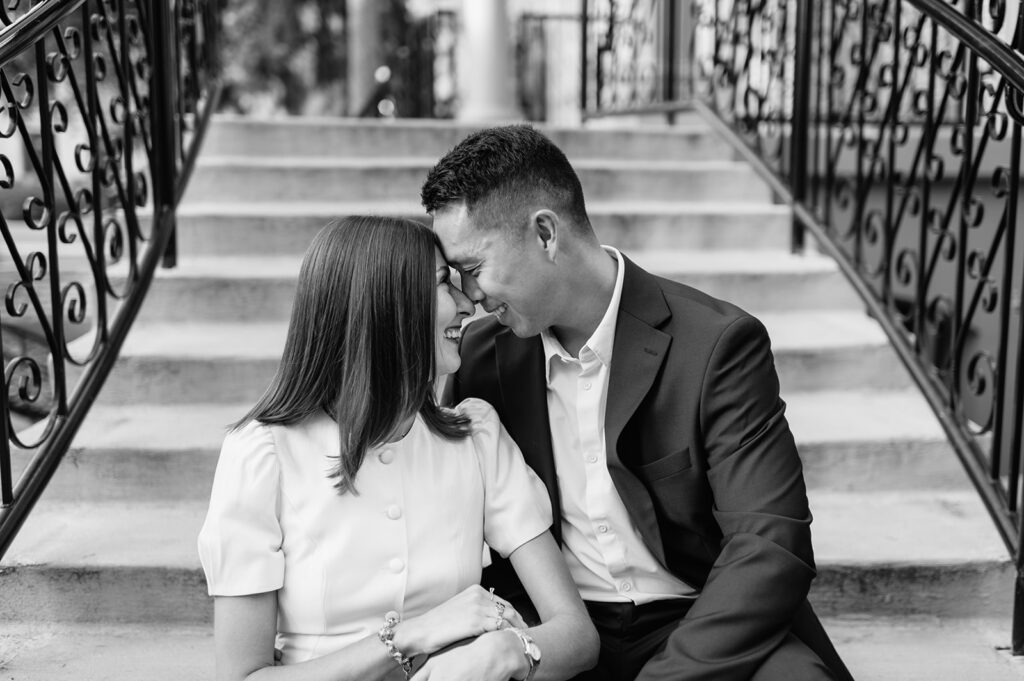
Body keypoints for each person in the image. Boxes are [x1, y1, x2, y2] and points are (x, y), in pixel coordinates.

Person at [422, 126, 855, 681]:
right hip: (552, 628)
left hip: (700, 619)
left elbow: (770, 544)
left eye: (474, 269)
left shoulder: (716, 345)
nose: (468, 297)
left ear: (546, 234)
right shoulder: (480, 359)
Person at [197, 216, 599, 681]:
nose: (470, 302)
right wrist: (410, 636)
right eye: (444, 284)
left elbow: (576, 636)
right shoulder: (262, 454)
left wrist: (509, 651)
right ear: (386, 306)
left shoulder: (476, 435)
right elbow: (243, 675)